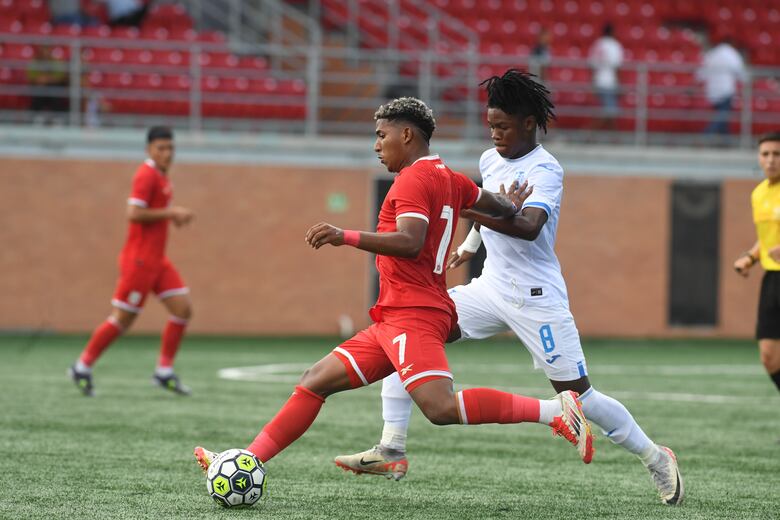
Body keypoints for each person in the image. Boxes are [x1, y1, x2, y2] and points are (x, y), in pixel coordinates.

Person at [194, 97, 595, 482]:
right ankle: (247, 459)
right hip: (396, 313)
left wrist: (344, 235)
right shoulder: (448, 177)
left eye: (381, 135)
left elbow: (410, 241)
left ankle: (554, 411)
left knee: (438, 408)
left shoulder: (412, 181)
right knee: (315, 379)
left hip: (415, 313)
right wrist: (510, 206)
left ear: (406, 135)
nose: (376, 145)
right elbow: (489, 202)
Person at [333, 70, 684, 506]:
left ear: (529, 125)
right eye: (491, 125)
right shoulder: (489, 160)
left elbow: (528, 227)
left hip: (536, 298)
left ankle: (656, 457)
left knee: (580, 397)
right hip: (489, 288)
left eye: (502, 126)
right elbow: (483, 205)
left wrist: (480, 211)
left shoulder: (546, 170)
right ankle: (391, 446)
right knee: (406, 332)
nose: (495, 134)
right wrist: (468, 242)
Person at [68, 126, 195, 396]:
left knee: (182, 309)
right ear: (149, 150)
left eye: (170, 148)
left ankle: (164, 372)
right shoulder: (146, 175)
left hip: (157, 261)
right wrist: (171, 212)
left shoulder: (162, 177)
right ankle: (82, 365)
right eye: (161, 148)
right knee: (122, 320)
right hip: (138, 262)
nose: (167, 153)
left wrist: (169, 215)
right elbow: (133, 213)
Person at [733, 132, 780, 401]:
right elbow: (766, 241)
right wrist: (750, 258)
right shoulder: (759, 194)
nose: (771, 160)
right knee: (770, 358)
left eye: (777, 154)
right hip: (772, 279)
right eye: (766, 154)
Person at [696, 37, 747, 136]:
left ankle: (726, 142)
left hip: (712, 92)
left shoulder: (712, 54)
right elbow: (741, 74)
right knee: (722, 117)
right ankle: (706, 136)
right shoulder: (731, 54)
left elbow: (701, 74)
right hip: (725, 91)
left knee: (723, 118)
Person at [588, 23, 623, 130]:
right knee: (610, 112)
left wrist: (592, 83)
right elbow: (616, 66)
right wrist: (619, 84)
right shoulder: (614, 45)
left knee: (609, 112)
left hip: (598, 80)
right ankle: (588, 133)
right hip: (609, 82)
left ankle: (614, 137)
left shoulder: (597, 44)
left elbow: (591, 65)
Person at [26, 46, 70, 118]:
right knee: (39, 91)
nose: (45, 53)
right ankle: (36, 116)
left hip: (54, 89)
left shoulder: (56, 62)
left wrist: (47, 79)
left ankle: (57, 117)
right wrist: (41, 80)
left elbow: (61, 77)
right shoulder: (35, 62)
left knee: (54, 92)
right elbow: (31, 78)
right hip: (39, 89)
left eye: (47, 50)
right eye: (44, 50)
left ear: (50, 51)